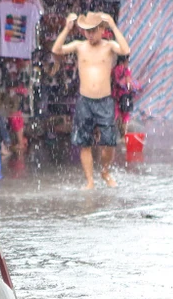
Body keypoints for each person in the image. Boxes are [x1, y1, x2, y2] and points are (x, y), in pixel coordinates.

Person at [51, 11, 131, 189]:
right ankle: (89, 181)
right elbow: (56, 50)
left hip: (104, 101)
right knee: (84, 142)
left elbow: (125, 50)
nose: (90, 34)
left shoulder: (109, 46)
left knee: (109, 141)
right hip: (85, 101)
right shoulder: (80, 46)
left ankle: (105, 171)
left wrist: (113, 25)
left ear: (102, 30)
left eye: (94, 30)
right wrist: (66, 28)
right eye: (87, 30)